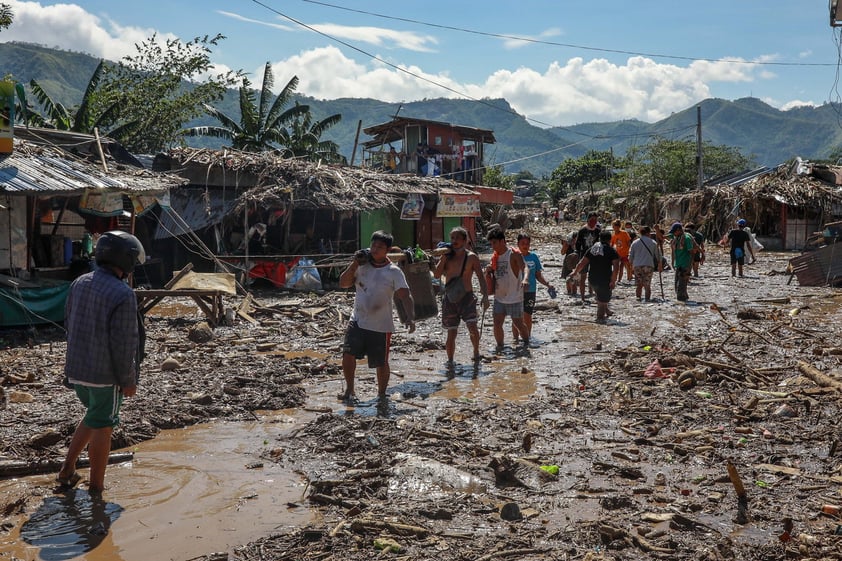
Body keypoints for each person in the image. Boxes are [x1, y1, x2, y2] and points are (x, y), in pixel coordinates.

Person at [57, 230, 146, 496]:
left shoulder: (80, 282)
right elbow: (124, 345)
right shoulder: (122, 293)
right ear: (126, 261)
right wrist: (128, 381)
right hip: (104, 376)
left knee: (94, 415)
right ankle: (96, 489)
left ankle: (67, 470)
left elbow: (69, 324)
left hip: (77, 369)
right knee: (104, 426)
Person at [338, 230, 415, 403]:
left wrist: (410, 317)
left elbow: (405, 295)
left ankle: (381, 394)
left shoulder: (393, 272)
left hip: (380, 325)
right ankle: (350, 390)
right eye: (373, 245)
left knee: (381, 362)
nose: (374, 249)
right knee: (348, 354)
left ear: (387, 250)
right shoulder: (361, 266)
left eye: (380, 247)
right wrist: (354, 264)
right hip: (357, 319)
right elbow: (343, 283)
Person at [434, 227, 489, 365]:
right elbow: (436, 274)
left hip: (467, 297)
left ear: (465, 241)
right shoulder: (446, 256)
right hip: (450, 299)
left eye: (457, 238)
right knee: (451, 332)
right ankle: (450, 360)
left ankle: (476, 352)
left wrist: (485, 296)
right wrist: (443, 258)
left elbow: (481, 277)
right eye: (452, 238)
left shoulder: (471, 257)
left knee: (472, 327)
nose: (454, 241)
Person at [485, 227, 528, 353]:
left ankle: (526, 342)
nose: (493, 246)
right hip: (499, 297)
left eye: (494, 243)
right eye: (491, 243)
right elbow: (492, 274)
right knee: (497, 323)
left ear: (502, 241)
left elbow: (524, 267)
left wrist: (525, 279)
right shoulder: (495, 257)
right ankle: (500, 347)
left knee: (518, 324)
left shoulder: (513, 254)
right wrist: (487, 271)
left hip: (514, 296)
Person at [512, 233, 555, 346]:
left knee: (527, 315)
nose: (525, 246)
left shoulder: (534, 257)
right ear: (518, 244)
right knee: (516, 316)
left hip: (530, 291)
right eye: (523, 243)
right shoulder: (514, 256)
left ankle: (527, 338)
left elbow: (538, 275)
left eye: (527, 243)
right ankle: (515, 339)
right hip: (516, 291)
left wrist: (548, 284)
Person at [569, 230, 620, 323]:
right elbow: (616, 267)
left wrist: (575, 272)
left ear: (599, 238)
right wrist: (613, 280)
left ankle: (606, 311)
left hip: (592, 280)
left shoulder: (593, 249)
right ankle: (600, 322)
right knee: (602, 302)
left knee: (601, 296)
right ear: (610, 239)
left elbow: (582, 263)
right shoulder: (612, 251)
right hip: (604, 280)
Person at [667, 222, 700, 301]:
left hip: (685, 265)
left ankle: (683, 304)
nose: (674, 234)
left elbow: (691, 253)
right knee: (677, 287)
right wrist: (657, 230)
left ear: (678, 230)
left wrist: (689, 267)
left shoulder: (686, 238)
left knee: (680, 288)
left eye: (674, 232)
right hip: (678, 264)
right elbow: (662, 237)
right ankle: (685, 301)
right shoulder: (677, 238)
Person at [628, 225, 661, 302]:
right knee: (647, 284)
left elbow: (630, 256)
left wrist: (631, 266)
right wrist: (660, 265)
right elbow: (658, 256)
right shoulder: (653, 242)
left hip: (637, 266)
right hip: (648, 265)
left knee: (639, 284)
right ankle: (647, 299)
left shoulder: (634, 243)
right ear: (648, 233)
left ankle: (638, 299)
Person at [575, 212, 602, 302]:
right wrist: (578, 255)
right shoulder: (582, 230)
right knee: (583, 276)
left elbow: (600, 243)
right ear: (588, 220)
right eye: (592, 220)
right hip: (584, 255)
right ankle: (583, 297)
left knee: (595, 276)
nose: (593, 222)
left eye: (595, 220)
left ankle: (595, 294)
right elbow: (577, 244)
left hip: (595, 256)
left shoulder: (598, 231)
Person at [561, 231, 579, 296]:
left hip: (576, 262)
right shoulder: (568, 243)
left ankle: (574, 292)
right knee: (568, 277)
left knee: (574, 278)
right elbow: (562, 252)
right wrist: (565, 245)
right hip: (568, 261)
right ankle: (569, 292)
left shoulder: (579, 244)